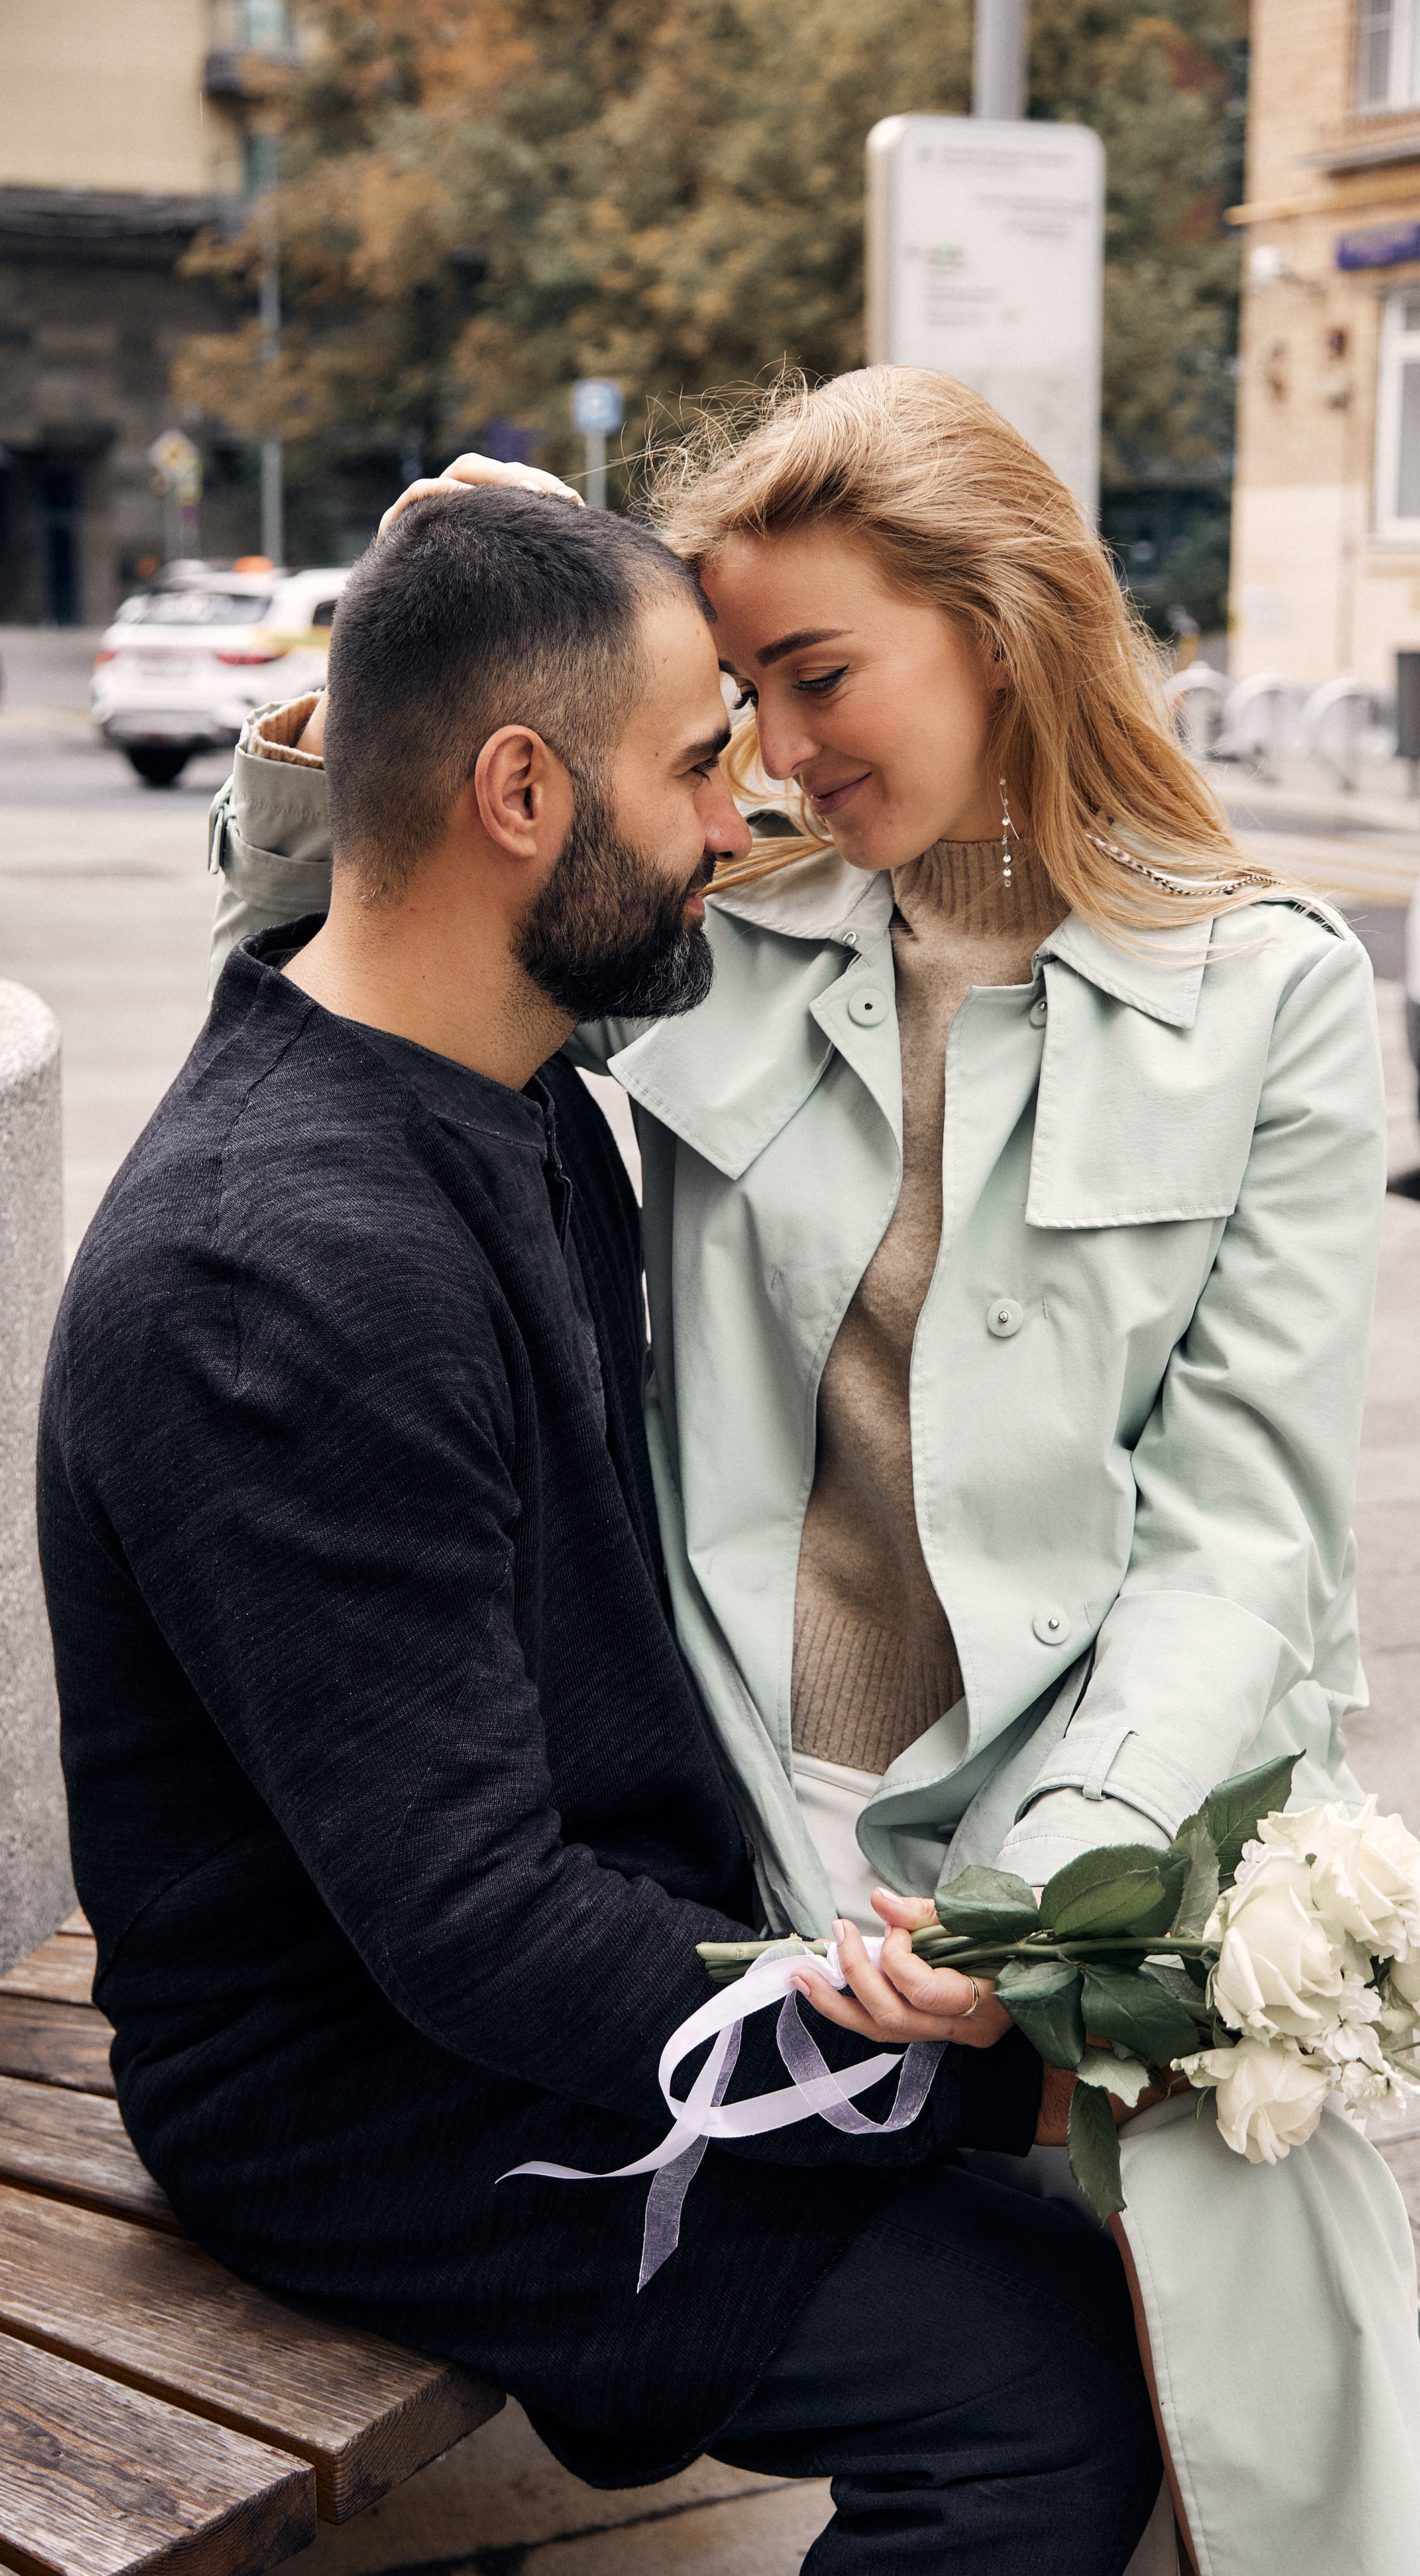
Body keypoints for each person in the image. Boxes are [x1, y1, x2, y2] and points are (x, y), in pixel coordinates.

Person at [205, 373, 1420, 2576]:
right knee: (1022, 2401)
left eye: (816, 676)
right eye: (743, 696)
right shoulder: (711, 918)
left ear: (996, 623)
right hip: (741, 1851)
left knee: (1255, 2449)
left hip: (1103, 1842)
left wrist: (1046, 1901)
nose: (776, 755)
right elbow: (373, 947)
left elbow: (1245, 1530)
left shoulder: (1267, 996)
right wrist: (408, 644)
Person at [39, 489, 1163, 2576]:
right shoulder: (275, 1273)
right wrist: (985, 2082)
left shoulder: (508, 1083)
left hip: (534, 1973)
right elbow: (473, 1927)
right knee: (1043, 2382)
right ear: (521, 794)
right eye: (696, 765)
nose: (740, 824)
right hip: (351, 2093)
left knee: (1141, 2276)